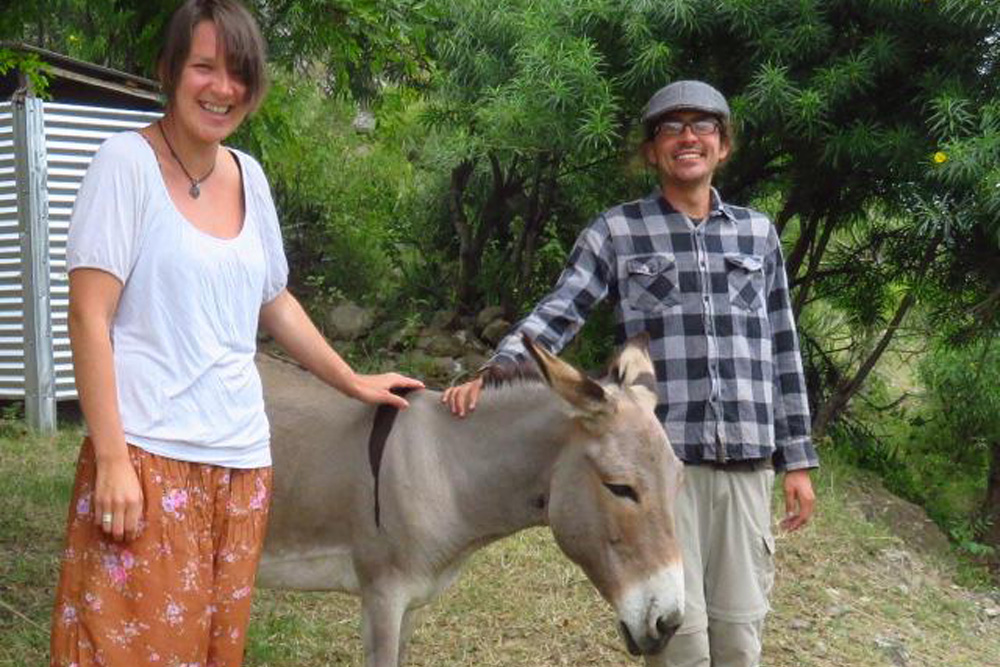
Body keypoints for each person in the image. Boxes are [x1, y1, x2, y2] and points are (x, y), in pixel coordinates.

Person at [49, 1, 423, 665]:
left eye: (240, 73)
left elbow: (273, 299)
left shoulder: (249, 174)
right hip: (149, 457)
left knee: (214, 650)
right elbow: (88, 316)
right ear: (169, 69)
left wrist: (350, 379)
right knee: (126, 648)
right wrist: (112, 460)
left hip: (243, 463)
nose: (223, 88)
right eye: (205, 67)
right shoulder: (123, 165)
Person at [443, 80, 818, 666]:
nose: (687, 137)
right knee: (678, 642)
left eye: (703, 126)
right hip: (662, 473)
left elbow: (782, 346)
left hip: (748, 463)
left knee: (741, 636)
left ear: (723, 145)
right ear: (650, 150)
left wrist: (797, 458)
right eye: (671, 127)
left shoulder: (758, 233)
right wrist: (498, 373)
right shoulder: (617, 231)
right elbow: (561, 310)